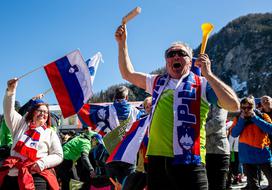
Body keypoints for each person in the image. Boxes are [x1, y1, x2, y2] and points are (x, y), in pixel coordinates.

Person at [115, 24, 239, 190]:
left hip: (190, 160)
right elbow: (127, 73)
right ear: (166, 61)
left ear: (190, 60)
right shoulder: (157, 81)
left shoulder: (202, 83)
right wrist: (122, 43)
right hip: (157, 161)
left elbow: (233, 105)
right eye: (171, 54)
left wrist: (208, 75)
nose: (175, 56)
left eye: (182, 53)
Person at [0, 78, 63, 190]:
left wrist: (42, 163)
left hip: (37, 176)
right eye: (40, 110)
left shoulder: (50, 133)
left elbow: (58, 155)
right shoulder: (20, 124)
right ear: (32, 112)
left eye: (46, 112)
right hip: (13, 174)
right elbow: (8, 110)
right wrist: (11, 91)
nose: (43, 113)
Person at [231, 96, 272, 190]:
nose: (246, 110)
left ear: (253, 108)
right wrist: (242, 120)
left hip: (263, 154)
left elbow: (270, 129)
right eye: (243, 108)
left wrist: (254, 118)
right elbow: (234, 133)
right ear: (240, 108)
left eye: (248, 108)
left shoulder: (263, 116)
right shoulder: (238, 119)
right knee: (253, 187)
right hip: (247, 156)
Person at [205, 105, 230, 190]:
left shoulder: (219, 100)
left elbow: (218, 121)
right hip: (202, 151)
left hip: (218, 151)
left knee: (217, 186)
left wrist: (196, 131)